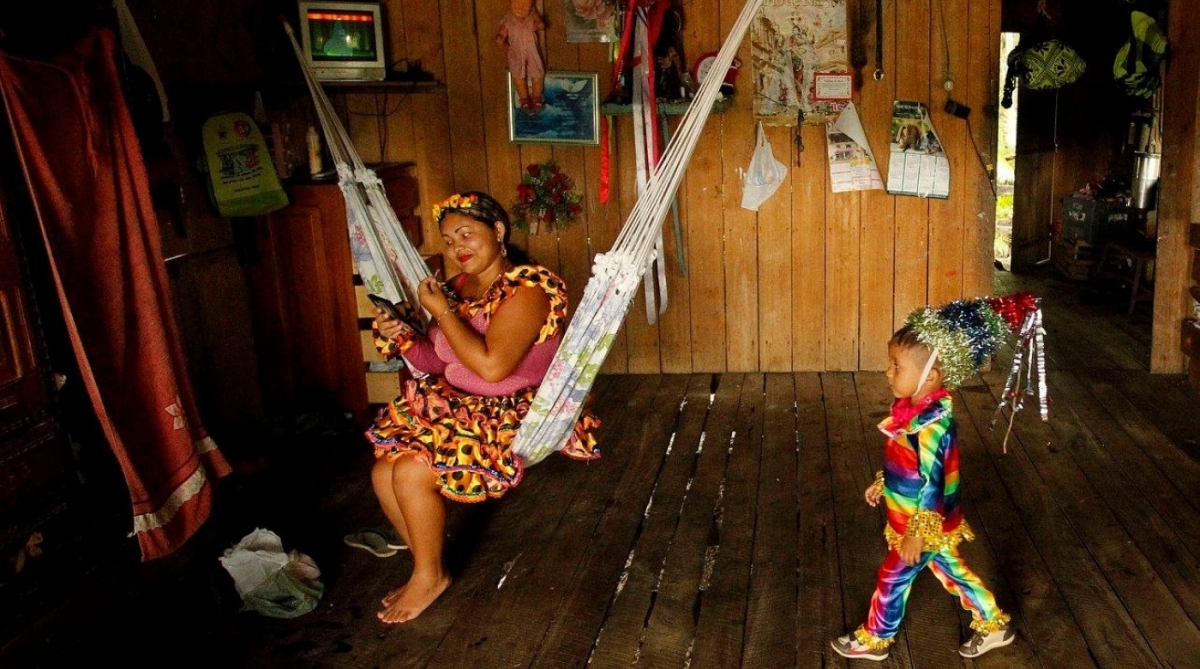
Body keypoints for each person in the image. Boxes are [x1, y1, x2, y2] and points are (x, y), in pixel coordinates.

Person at [365, 190, 600, 624]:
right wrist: (405, 336)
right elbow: (439, 362)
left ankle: (427, 575)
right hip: (459, 405)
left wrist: (443, 312)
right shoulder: (456, 288)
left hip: (512, 411)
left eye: (467, 234)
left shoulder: (528, 289)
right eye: (449, 240)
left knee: (412, 472)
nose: (457, 248)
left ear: (498, 232)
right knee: (384, 472)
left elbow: (492, 368)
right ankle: (428, 569)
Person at [831, 298, 1022, 661]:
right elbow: (906, 464)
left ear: (929, 376)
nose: (888, 372)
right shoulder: (911, 413)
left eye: (896, 366)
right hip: (914, 520)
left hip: (923, 524)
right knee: (953, 571)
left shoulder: (932, 426)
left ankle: (876, 637)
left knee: (892, 578)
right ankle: (993, 624)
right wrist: (883, 483)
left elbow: (933, 483)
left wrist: (918, 532)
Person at [496, 0, 546, 111]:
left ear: (531, 6)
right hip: (516, 53)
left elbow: (542, 25)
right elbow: (502, 32)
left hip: (532, 52)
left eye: (524, 7)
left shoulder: (533, 16)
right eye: (516, 6)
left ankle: (536, 98)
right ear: (509, 5)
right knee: (518, 77)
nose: (520, 9)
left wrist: (537, 25)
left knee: (537, 75)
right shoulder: (508, 20)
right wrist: (500, 37)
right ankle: (524, 99)